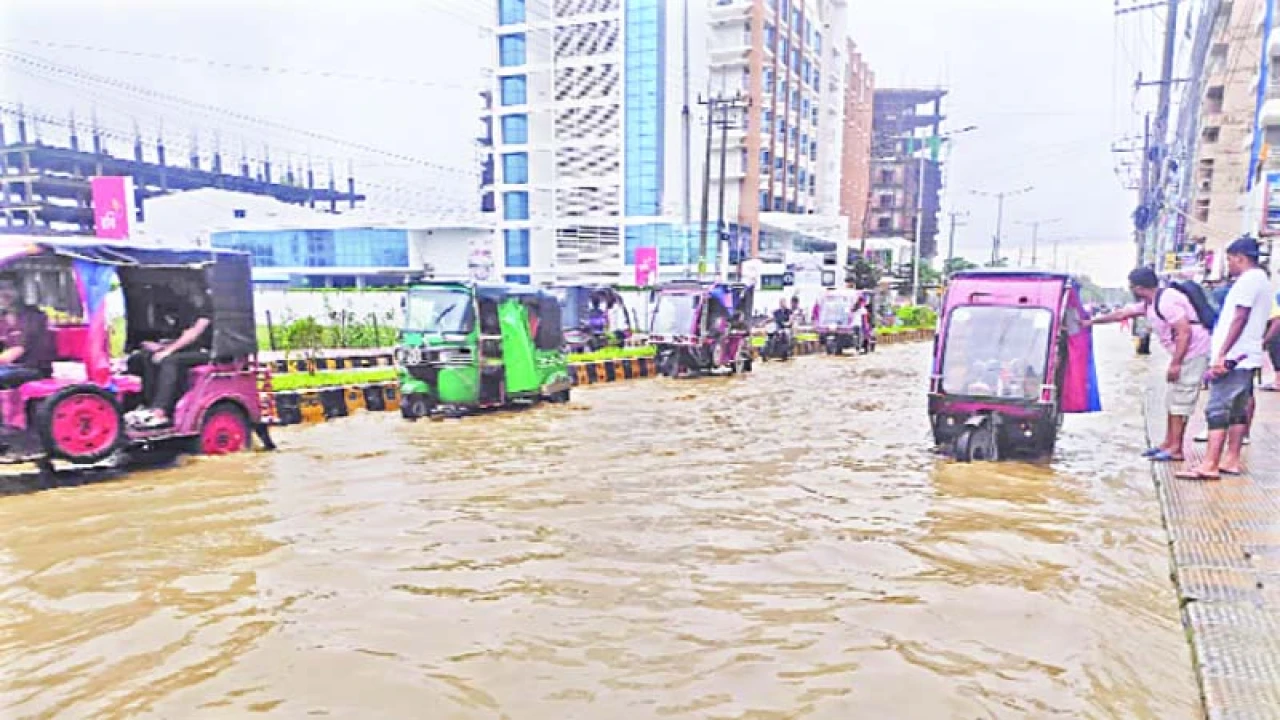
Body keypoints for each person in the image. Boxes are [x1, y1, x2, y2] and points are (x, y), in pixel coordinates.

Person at [1086, 267, 1211, 461]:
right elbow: (1122, 314)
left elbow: (1184, 331)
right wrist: (1090, 322)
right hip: (1183, 353)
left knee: (1180, 402)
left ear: (1138, 287)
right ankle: (1168, 443)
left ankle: (1176, 449)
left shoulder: (1167, 300)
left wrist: (1176, 363)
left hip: (1193, 352)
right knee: (1171, 401)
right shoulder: (1151, 302)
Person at [1178, 237, 1274, 480]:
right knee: (1239, 410)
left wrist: (1222, 353)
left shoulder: (1247, 282)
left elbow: (1239, 317)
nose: (1228, 265)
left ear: (1240, 258)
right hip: (1248, 355)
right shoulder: (1262, 280)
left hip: (1233, 356)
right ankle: (1231, 460)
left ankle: (1209, 464)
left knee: (1217, 409)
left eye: (1230, 259)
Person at [127, 278, 214, 429]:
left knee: (170, 360)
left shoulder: (207, 306)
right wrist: (159, 346)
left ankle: (160, 411)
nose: (174, 287)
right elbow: (181, 337)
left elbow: (193, 334)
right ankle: (148, 404)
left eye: (178, 282)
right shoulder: (185, 307)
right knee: (145, 357)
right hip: (189, 350)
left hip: (210, 352)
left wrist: (167, 351)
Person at [0, 272, 53, 388]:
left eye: (8, 288)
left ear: (20, 291)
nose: (3, 293)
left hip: (34, 369)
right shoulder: (2, 318)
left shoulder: (34, 316)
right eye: (0, 289)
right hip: (12, 368)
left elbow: (16, 351)